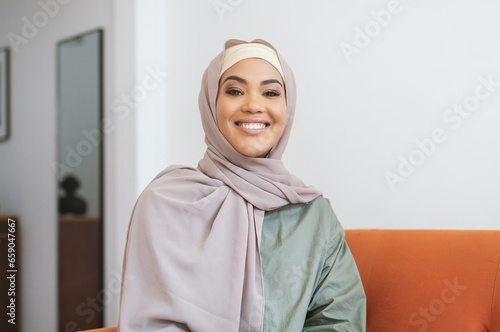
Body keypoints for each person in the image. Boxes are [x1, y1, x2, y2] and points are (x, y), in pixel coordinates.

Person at [118, 39, 366, 331]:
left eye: (271, 92)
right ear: (211, 103)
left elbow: (338, 319)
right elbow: (152, 319)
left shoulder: (313, 214)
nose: (253, 105)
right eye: (235, 91)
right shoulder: (165, 201)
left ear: (288, 107)